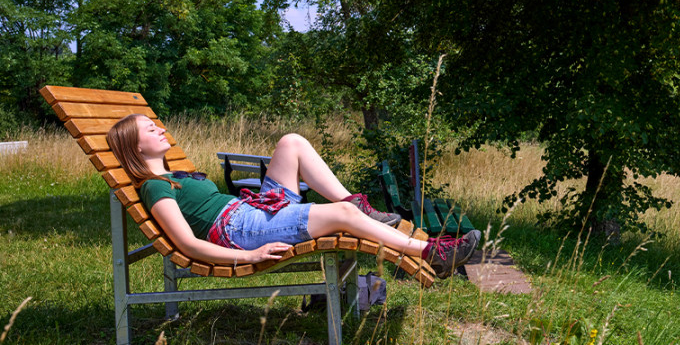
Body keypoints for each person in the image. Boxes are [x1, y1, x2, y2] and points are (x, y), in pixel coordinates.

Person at [106, 114, 479, 279]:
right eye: (149, 128)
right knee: (341, 219)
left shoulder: (173, 176)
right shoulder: (154, 187)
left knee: (292, 143)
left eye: (155, 124)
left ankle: (356, 204)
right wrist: (247, 255)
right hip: (243, 229)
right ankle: (434, 254)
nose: (159, 129)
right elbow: (186, 244)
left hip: (252, 211)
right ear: (132, 146)